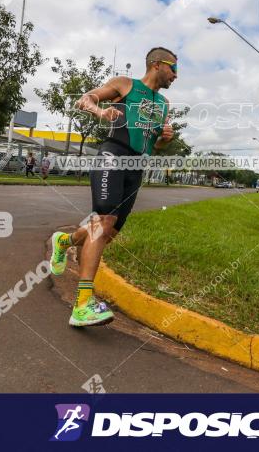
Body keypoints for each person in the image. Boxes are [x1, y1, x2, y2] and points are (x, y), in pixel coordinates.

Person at [47, 47, 177, 326]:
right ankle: (82, 304)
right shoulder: (125, 85)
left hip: (136, 167)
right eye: (173, 68)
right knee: (103, 220)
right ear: (157, 64)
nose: (176, 75)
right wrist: (99, 111)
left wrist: (165, 138)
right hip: (113, 154)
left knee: (109, 231)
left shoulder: (164, 104)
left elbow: (155, 145)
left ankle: (65, 241)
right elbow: (86, 99)